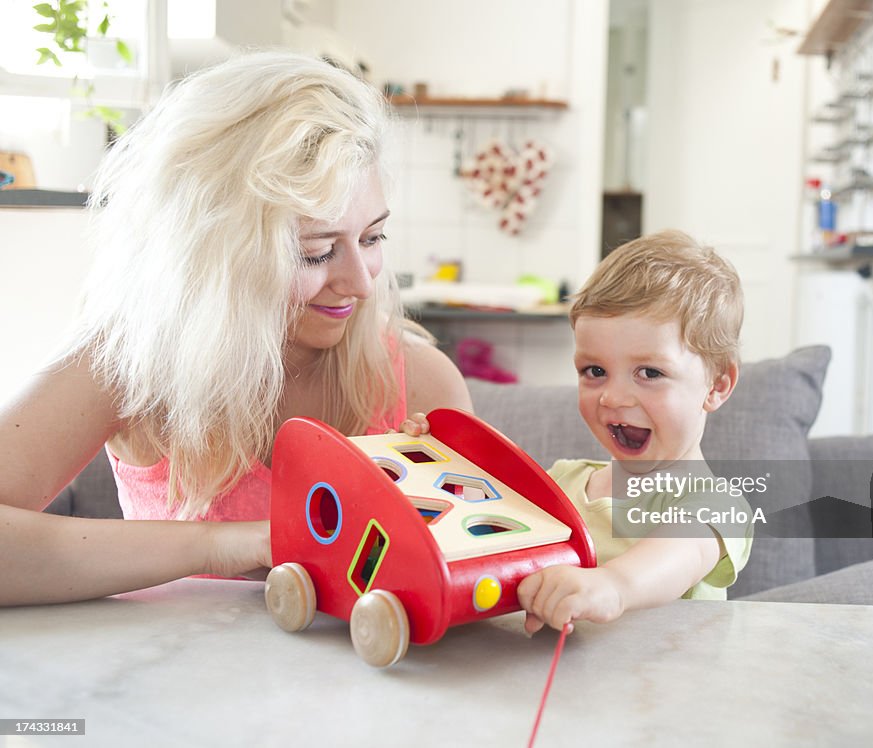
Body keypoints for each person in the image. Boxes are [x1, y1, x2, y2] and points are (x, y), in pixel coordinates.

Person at [0, 52, 470, 606]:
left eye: (371, 239)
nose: (361, 285)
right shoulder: (128, 358)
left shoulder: (421, 381)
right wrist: (224, 545)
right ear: (215, 252)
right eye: (314, 252)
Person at [516, 230, 753, 634]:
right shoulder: (560, 482)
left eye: (650, 373)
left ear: (716, 385)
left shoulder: (716, 506)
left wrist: (613, 584)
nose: (613, 397)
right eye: (595, 371)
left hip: (664, 692)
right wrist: (428, 455)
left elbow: (681, 551)